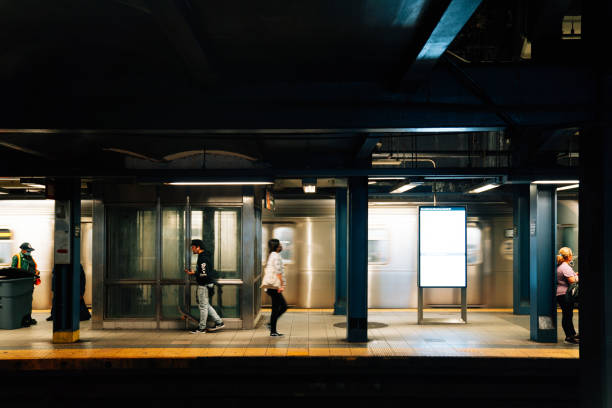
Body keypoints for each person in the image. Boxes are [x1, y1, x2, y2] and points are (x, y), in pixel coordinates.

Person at [185, 239, 224, 333]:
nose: (192, 249)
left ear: (198, 247)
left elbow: (204, 273)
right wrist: (194, 272)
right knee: (205, 305)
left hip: (204, 285)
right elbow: (204, 271)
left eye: (193, 247)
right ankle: (219, 322)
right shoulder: (205, 256)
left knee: (203, 306)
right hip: (207, 284)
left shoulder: (202, 258)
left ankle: (201, 328)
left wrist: (196, 274)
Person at [261, 238, 287, 337]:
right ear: (276, 246)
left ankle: (272, 328)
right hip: (274, 287)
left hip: (272, 287)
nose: (281, 246)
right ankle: (272, 329)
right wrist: (281, 285)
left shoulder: (272, 255)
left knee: (278, 307)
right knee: (281, 307)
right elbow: (278, 272)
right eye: (280, 245)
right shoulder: (275, 256)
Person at [11, 242, 40, 326]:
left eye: (30, 251)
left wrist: (36, 273)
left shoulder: (30, 258)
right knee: (21, 302)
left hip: (29, 283)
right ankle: (21, 320)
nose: (29, 252)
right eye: (28, 250)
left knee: (28, 301)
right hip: (20, 284)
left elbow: (34, 268)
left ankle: (28, 318)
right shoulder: (17, 257)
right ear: (23, 250)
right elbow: (13, 270)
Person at [556, 247, 579, 344]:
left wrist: (575, 275)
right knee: (567, 315)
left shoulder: (561, 266)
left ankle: (571, 334)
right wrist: (577, 277)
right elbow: (572, 281)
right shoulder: (565, 267)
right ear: (569, 256)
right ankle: (569, 336)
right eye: (571, 254)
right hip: (565, 294)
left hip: (561, 294)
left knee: (567, 314)